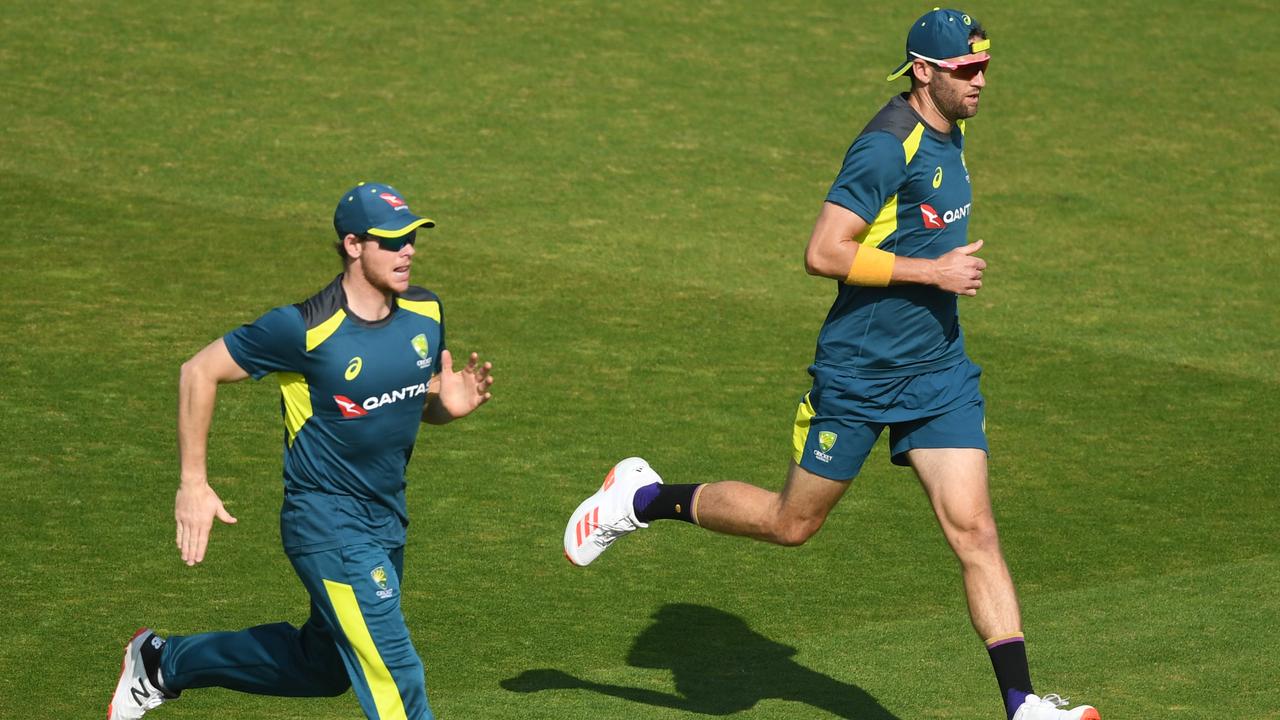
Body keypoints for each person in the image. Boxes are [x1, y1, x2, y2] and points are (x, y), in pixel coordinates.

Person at [563, 9, 1098, 720]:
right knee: (792, 524)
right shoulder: (885, 148)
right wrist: (929, 274)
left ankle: (1023, 703)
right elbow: (823, 252)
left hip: (938, 373)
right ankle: (642, 499)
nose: (980, 82)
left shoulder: (951, 129)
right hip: (858, 374)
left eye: (985, 68)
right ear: (923, 72)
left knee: (975, 530)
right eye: (966, 71)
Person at [108, 182, 495, 720]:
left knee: (324, 667)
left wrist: (443, 406)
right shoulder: (305, 328)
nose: (408, 249)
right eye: (392, 240)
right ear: (354, 245)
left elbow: (410, 400)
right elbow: (199, 371)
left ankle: (162, 663)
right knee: (395, 669)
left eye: (411, 237)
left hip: (386, 518)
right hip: (326, 523)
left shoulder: (425, 314)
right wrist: (192, 484)